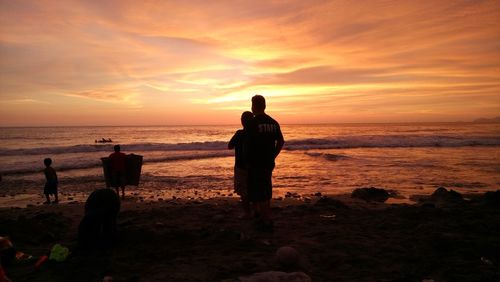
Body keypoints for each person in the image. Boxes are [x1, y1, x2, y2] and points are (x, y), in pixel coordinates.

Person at [246, 95, 285, 229]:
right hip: (268, 161)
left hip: (255, 162)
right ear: (264, 105)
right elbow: (281, 141)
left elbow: (248, 144)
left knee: (258, 190)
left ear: (253, 106)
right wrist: (273, 155)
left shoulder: (252, 123)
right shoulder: (273, 122)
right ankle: (264, 215)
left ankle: (265, 219)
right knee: (266, 187)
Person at [228, 111, 254, 219]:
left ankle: (247, 213)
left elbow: (230, 146)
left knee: (243, 191)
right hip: (254, 166)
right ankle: (256, 210)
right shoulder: (255, 134)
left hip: (240, 166)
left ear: (242, 121)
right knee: (253, 189)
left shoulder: (239, 133)